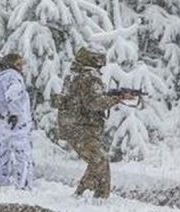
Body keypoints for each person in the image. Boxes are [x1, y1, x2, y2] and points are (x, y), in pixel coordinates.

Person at [55, 47, 136, 199]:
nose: (101, 65)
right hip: (82, 128)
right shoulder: (90, 77)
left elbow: (82, 98)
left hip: (73, 127)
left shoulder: (74, 75)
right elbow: (94, 103)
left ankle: (96, 196)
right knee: (99, 160)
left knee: (98, 160)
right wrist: (116, 98)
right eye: (99, 60)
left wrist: (111, 95)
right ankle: (86, 194)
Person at [0, 53, 34, 189]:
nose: (21, 68)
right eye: (19, 64)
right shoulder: (13, 76)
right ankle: (24, 184)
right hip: (15, 124)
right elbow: (13, 94)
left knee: (3, 154)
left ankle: (0, 182)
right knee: (23, 154)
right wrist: (15, 113)